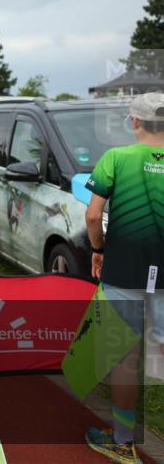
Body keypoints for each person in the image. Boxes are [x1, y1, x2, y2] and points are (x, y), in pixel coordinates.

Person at [84, 92, 164, 464]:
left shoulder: (116, 158)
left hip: (124, 268)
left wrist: (98, 250)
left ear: (135, 122)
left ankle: (122, 440)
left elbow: (92, 216)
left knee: (126, 358)